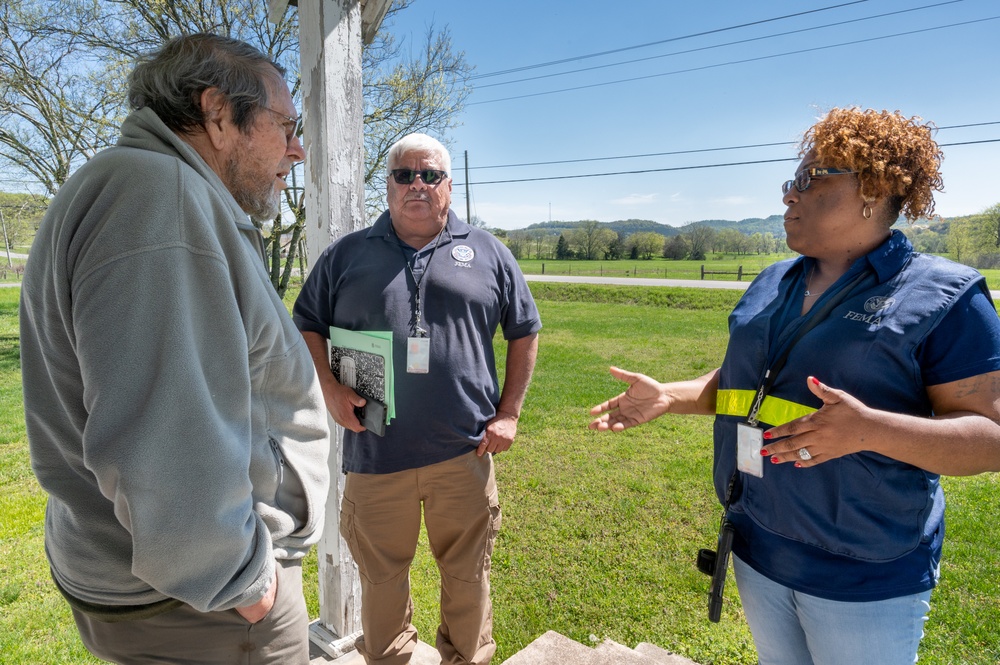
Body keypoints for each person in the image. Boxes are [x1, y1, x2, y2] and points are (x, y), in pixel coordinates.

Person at [589, 107, 1000, 665]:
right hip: (758, 542)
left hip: (863, 569)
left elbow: (990, 437)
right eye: (791, 181)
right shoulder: (773, 281)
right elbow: (751, 384)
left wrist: (870, 430)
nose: (790, 196)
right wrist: (672, 396)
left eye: (812, 179)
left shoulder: (945, 297)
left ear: (873, 191)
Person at [20, 33, 330, 664]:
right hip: (204, 608)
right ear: (218, 113)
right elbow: (166, 435)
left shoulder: (145, 189)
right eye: (286, 126)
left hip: (174, 593)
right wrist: (243, 582)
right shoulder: (161, 200)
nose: (296, 150)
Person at [293, 132, 540, 665]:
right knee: (382, 582)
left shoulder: (488, 251)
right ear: (388, 186)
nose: (417, 185)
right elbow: (306, 322)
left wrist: (510, 413)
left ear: (449, 185)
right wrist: (331, 389)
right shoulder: (347, 255)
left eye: (430, 175)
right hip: (376, 453)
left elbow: (525, 329)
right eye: (404, 175)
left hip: (465, 452)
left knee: (468, 577)